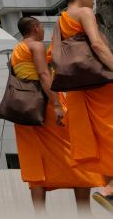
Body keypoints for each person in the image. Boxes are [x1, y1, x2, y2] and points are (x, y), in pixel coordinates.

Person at [11, 16, 103, 213]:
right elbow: (44, 75)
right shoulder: (35, 46)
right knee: (75, 149)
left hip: (24, 112)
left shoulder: (15, 51)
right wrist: (56, 105)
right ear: (35, 28)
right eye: (41, 27)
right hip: (45, 105)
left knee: (34, 161)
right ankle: (84, 211)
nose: (42, 31)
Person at [52, 0, 113, 212]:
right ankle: (110, 189)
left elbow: (56, 57)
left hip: (78, 85)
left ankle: (109, 187)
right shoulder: (85, 11)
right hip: (100, 81)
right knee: (109, 127)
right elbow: (97, 44)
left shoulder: (60, 21)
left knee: (98, 134)